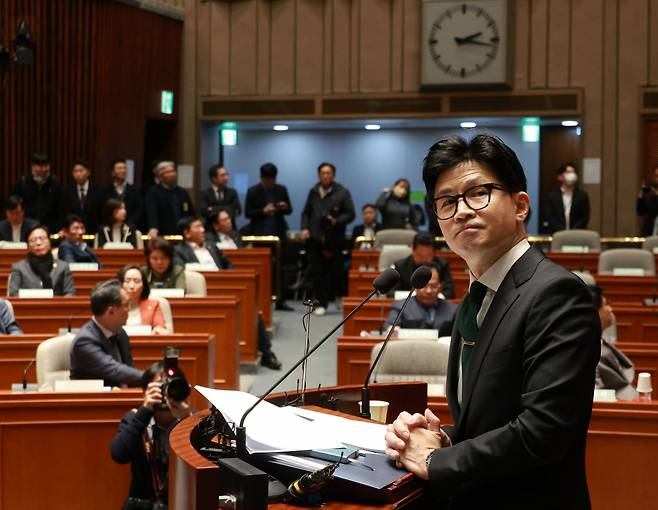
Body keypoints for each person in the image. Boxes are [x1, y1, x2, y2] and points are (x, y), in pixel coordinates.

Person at [384, 134, 601, 509]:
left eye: (478, 192)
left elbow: (544, 432)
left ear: (520, 206)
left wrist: (436, 460)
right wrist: (444, 438)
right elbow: (488, 425)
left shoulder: (557, 294)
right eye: (447, 202)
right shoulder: (473, 298)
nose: (462, 210)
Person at [172, 218, 281, 369]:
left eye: (203, 226)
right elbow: (182, 273)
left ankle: (267, 352)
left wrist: (229, 278)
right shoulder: (178, 251)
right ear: (187, 233)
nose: (203, 230)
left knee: (250, 309)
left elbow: (228, 264)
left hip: (223, 289)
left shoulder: (211, 246)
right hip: (201, 295)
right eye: (198, 227)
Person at [111, 362, 190, 507]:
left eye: (170, 387)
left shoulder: (192, 419)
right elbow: (119, 454)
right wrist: (145, 410)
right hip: (143, 504)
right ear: (145, 392)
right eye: (160, 388)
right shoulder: (135, 418)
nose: (166, 394)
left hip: (184, 501)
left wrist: (187, 421)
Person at [300, 162, 355, 316]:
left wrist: (336, 220)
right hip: (316, 239)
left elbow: (351, 214)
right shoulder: (314, 191)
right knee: (317, 272)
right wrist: (305, 227)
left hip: (335, 240)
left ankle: (337, 295)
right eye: (323, 173)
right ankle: (320, 303)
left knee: (335, 271)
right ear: (319, 175)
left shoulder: (342, 192)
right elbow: (306, 212)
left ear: (333, 175)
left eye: (329, 173)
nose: (326, 175)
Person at [69, 279, 143, 386]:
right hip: (94, 400)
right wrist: (148, 377)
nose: (129, 309)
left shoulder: (120, 333)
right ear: (111, 311)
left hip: (120, 397)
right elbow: (115, 370)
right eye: (126, 305)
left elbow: (129, 370)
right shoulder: (84, 341)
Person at [243, 162, 293, 310]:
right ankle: (261, 298)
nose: (270, 182)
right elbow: (248, 213)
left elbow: (290, 210)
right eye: (267, 179)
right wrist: (263, 211)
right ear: (262, 178)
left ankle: (280, 300)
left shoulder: (281, 189)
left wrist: (283, 208)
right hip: (260, 235)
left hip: (278, 234)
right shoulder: (253, 191)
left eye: (272, 179)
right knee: (261, 268)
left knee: (281, 267)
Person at [587, 284, 638, 401]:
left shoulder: (598, 339)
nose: (610, 309)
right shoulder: (589, 354)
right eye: (605, 305)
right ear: (595, 313)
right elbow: (596, 399)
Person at [383, 262, 456, 336]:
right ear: (415, 285)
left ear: (441, 286)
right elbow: (389, 327)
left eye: (434, 286)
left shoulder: (453, 310)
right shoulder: (400, 306)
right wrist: (392, 330)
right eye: (424, 286)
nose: (429, 291)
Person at [8, 225, 76, 297]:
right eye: (33, 240)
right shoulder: (19, 267)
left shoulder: (62, 267)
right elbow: (13, 294)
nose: (38, 243)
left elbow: (70, 293)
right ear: (28, 246)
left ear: (49, 241)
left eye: (42, 238)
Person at [391, 233, 455, 299]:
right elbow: (391, 293)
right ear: (413, 249)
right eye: (420, 255)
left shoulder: (442, 265)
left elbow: (450, 292)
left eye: (429, 255)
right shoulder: (400, 266)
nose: (425, 259)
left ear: (434, 252)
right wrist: (418, 296)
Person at [11, 152, 62, 233]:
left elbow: (59, 208)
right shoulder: (23, 182)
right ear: (33, 166)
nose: (44, 169)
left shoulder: (55, 183)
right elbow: (14, 205)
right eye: (40, 166)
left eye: (46, 166)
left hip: (49, 228)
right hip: (26, 227)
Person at [145, 161, 196, 237]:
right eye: (168, 172)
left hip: (183, 233)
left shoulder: (182, 192)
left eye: (173, 171)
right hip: (163, 233)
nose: (172, 174)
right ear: (160, 177)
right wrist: (153, 228)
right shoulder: (153, 192)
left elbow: (190, 212)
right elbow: (152, 212)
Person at [118, 265, 169, 335]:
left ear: (144, 285)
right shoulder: (113, 306)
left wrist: (158, 330)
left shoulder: (153, 305)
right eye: (127, 281)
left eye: (136, 281)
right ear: (120, 284)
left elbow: (160, 328)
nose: (132, 286)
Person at [59, 159, 103, 232]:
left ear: (88, 172)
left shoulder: (98, 190)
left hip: (94, 230)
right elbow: (63, 213)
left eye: (81, 170)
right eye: (75, 171)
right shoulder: (67, 191)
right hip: (73, 232)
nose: (78, 174)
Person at [545, 162, 590, 233]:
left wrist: (572, 231)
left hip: (577, 234)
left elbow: (584, 217)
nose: (572, 175)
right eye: (568, 172)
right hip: (557, 234)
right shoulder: (552, 196)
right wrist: (562, 231)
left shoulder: (582, 196)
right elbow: (550, 217)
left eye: (573, 172)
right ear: (560, 177)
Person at [103, 159, 143, 228]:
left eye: (125, 168)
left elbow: (138, 211)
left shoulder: (134, 191)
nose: (123, 171)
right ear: (112, 172)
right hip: (109, 227)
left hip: (129, 228)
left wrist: (129, 224)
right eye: (119, 168)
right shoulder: (105, 191)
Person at [636, 163, 658, 236]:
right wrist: (641, 193)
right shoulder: (652, 194)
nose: (657, 179)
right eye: (656, 176)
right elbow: (640, 211)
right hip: (650, 232)